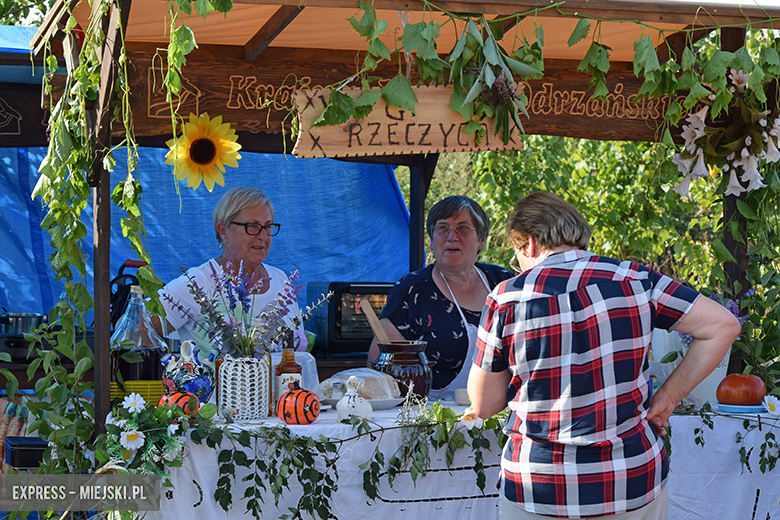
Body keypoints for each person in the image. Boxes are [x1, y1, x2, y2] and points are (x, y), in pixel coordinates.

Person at [468, 191, 741, 519]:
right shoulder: (637, 280)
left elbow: (484, 403)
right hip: (630, 478)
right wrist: (667, 398)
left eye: (517, 258)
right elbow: (722, 326)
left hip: (538, 484)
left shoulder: (506, 297)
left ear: (529, 243)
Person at [368, 195, 513, 399]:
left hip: (499, 412)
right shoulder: (413, 290)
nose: (452, 236)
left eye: (463, 227)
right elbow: (380, 366)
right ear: (433, 239)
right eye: (443, 228)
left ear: (482, 241)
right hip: (431, 416)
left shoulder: (504, 283)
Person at [156, 186, 306, 350]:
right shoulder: (198, 283)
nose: (263, 236)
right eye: (252, 226)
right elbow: (135, 330)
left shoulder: (280, 280)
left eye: (268, 226)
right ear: (223, 231)